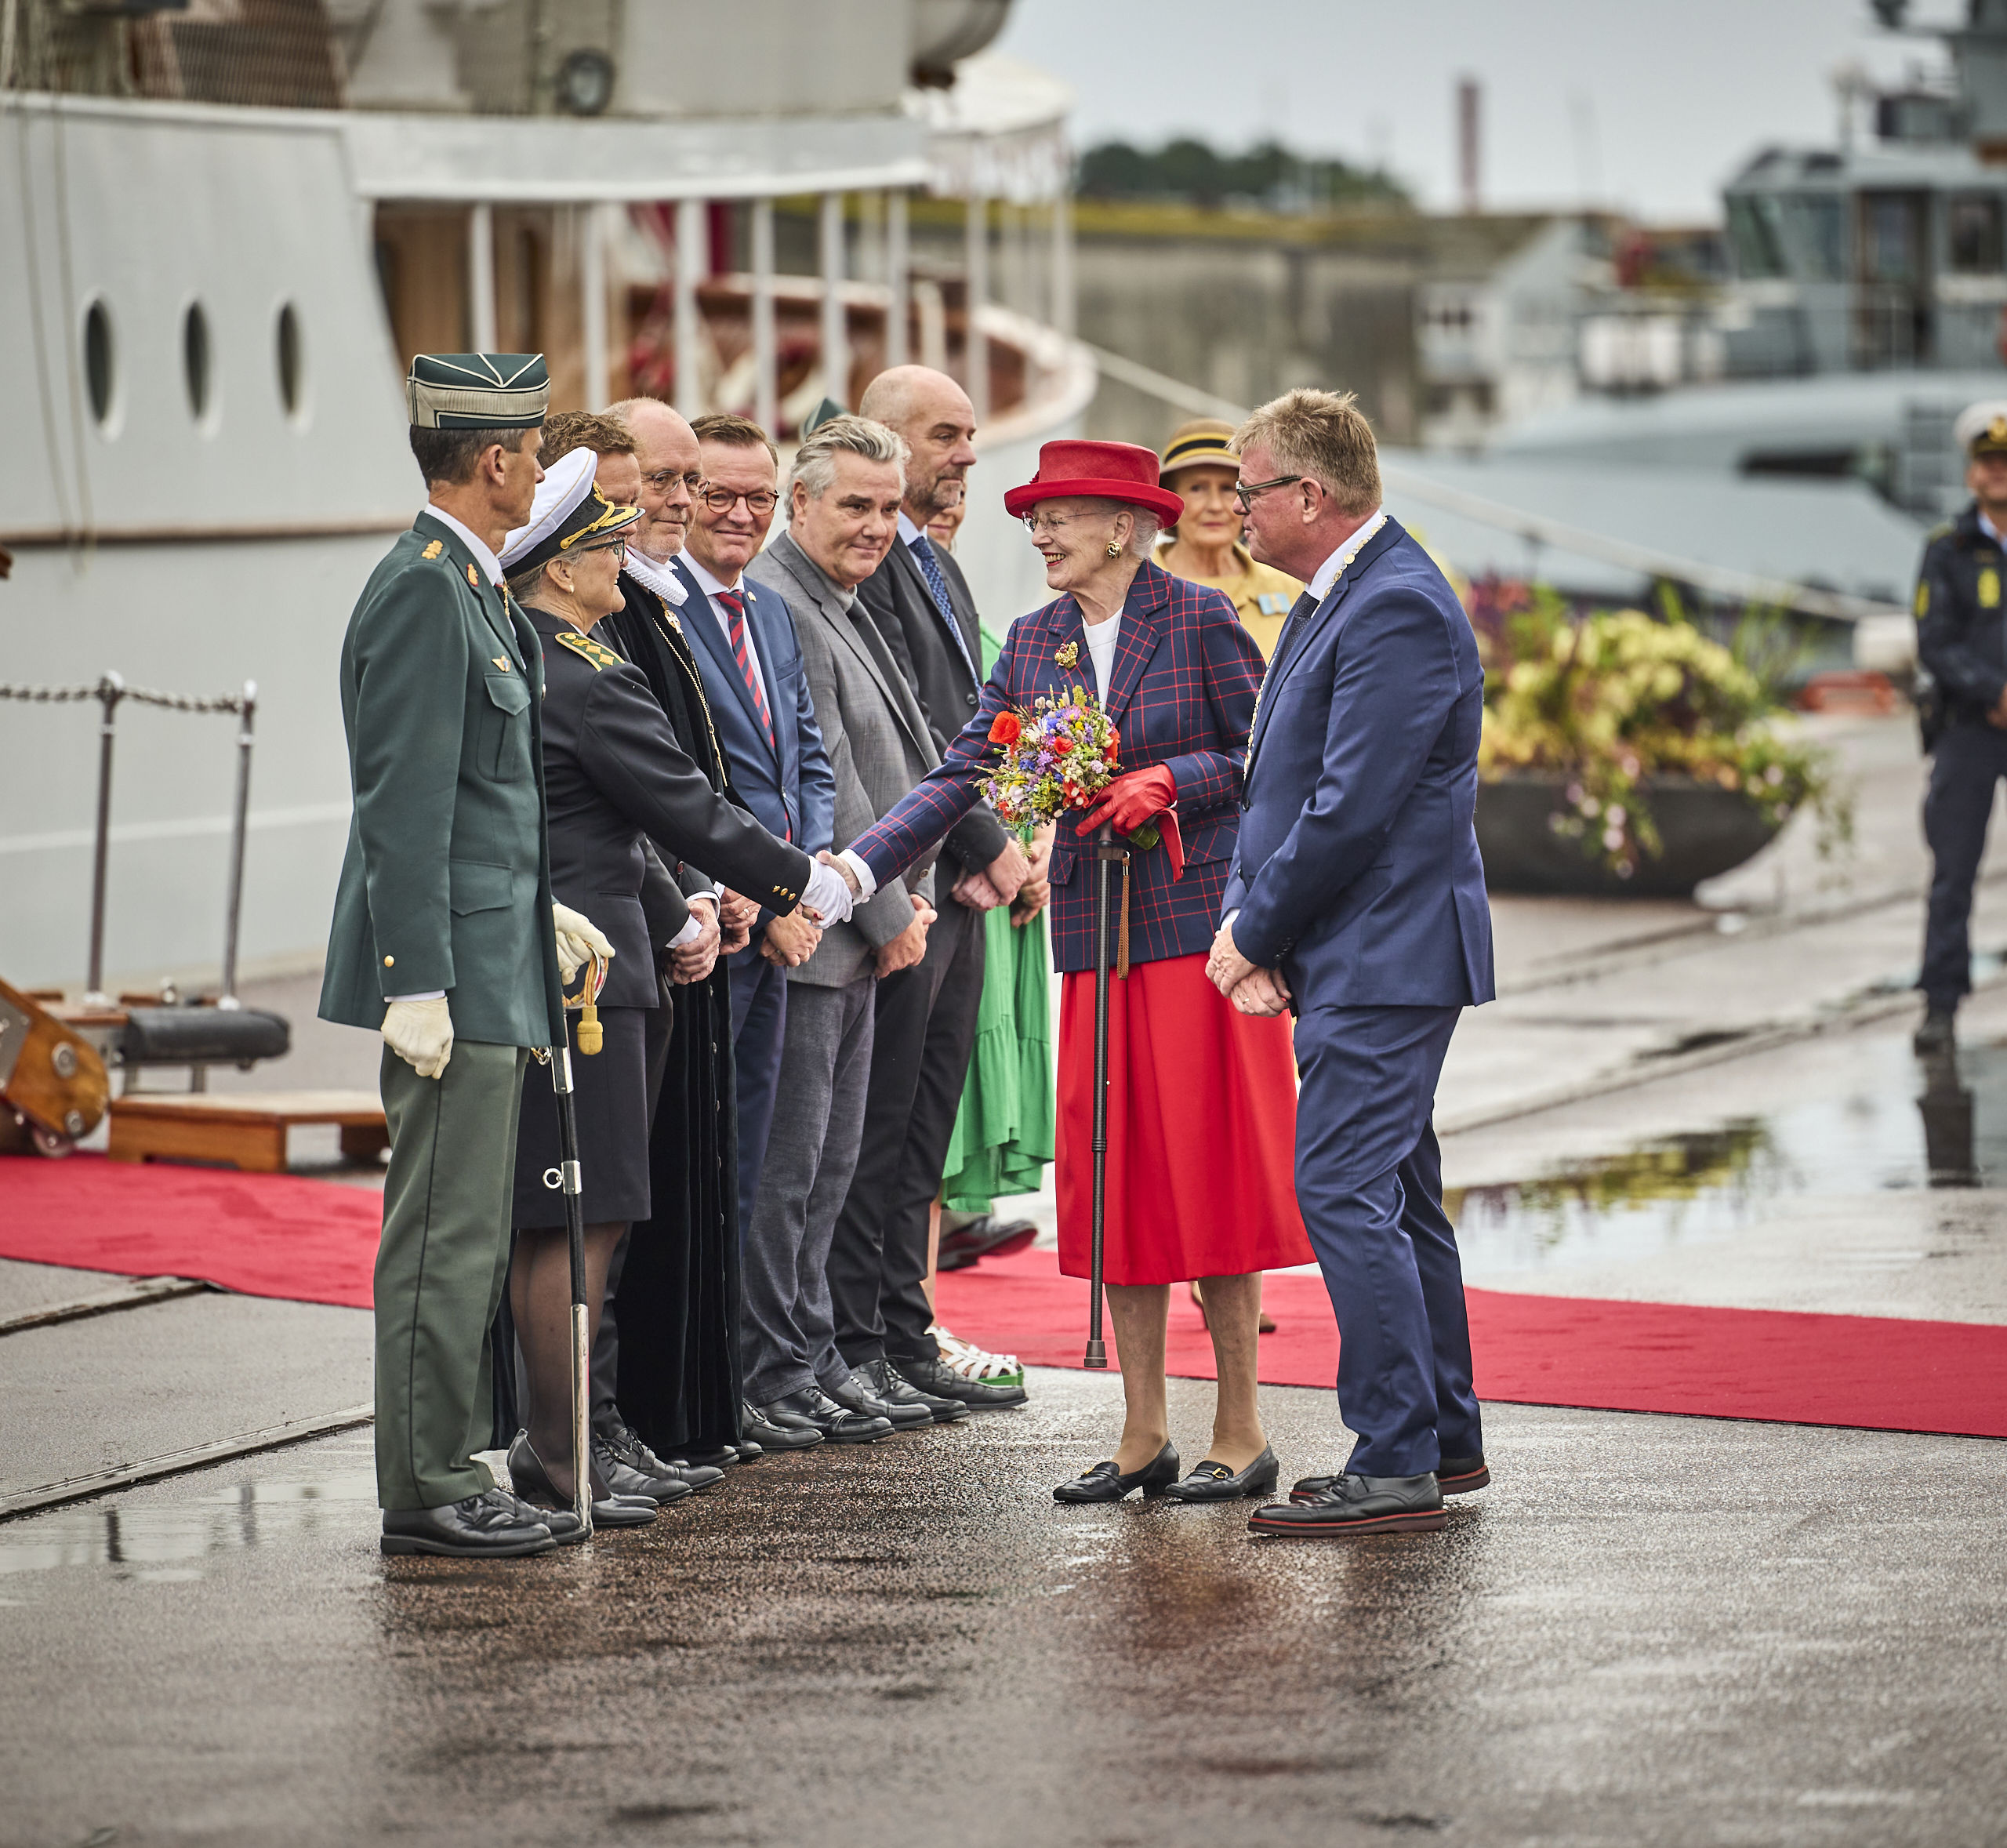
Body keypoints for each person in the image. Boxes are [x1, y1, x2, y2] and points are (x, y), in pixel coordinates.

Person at [832, 438, 1313, 1505]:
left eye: (1061, 514)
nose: (1040, 532)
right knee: (1121, 1184)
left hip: (1198, 939)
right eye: (1036, 516)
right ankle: (1143, 1432)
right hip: (1099, 944)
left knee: (1215, 1179)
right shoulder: (1037, 639)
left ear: (1122, 526)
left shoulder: (1195, 618)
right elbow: (965, 769)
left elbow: (1264, 757)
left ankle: (1241, 1427)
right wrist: (860, 863)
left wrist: (1165, 782)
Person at [496, 448, 855, 1518]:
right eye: (603, 544)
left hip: (579, 956)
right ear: (561, 568)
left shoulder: (532, 660)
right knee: (585, 1223)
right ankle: (566, 1461)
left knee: (561, 1221)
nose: (623, 558)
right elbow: (687, 810)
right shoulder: (590, 677)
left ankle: (565, 1446)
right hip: (593, 980)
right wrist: (803, 881)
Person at [320, 352, 610, 1559]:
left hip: (497, 961)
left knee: (473, 1235)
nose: (541, 468)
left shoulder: (473, 586)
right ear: (493, 462)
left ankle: (451, 1463)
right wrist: (415, 983)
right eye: (534, 452)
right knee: (441, 1237)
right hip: (454, 979)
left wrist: (538, 910)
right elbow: (403, 804)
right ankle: (427, 1485)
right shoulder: (424, 591)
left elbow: (485, 805)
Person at [1203, 387, 1495, 1539]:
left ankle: (1392, 1458)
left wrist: (1252, 933)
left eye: (1249, 487)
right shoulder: (1347, 594)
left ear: (1310, 496)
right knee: (1402, 1197)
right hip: (1365, 947)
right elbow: (1272, 782)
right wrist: (1255, 921)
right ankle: (1444, 1434)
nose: (1235, 508)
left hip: (1386, 950)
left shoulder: (1396, 607)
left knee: (1341, 1189)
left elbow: (1348, 808)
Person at [743, 414, 984, 1437]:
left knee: (839, 1168)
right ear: (800, 505)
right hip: (832, 931)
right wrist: (889, 910)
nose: (878, 527)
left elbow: (910, 757)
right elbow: (830, 777)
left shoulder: (841, 596)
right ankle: (785, 1368)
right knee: (794, 1171)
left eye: (889, 508)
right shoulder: (786, 601)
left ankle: (823, 1355)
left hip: (872, 922)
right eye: (855, 506)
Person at [829, 364, 1034, 1414]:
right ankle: (858, 1338)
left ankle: (901, 1331)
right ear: (888, 437)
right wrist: (991, 842)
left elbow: (974, 716)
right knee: (877, 1125)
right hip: (919, 882)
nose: (967, 456)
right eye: (948, 436)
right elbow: (909, 735)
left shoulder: (940, 567)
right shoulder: (869, 574)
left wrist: (1018, 830)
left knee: (922, 1127)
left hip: (961, 887)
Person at [593, 397, 776, 1472]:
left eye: (681, 481)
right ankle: (604, 1426)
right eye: (662, 483)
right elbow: (620, 795)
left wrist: (714, 890)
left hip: (687, 922)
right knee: (614, 1204)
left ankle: (677, 1411)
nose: (679, 501)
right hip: (633, 936)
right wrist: (702, 895)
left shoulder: (642, 603)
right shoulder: (597, 613)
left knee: (675, 1184)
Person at [673, 417, 838, 1447]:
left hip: (779, 922)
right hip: (721, 932)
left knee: (760, 1162)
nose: (741, 514)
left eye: (758, 498)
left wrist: (808, 889)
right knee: (706, 1168)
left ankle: (745, 1376)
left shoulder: (770, 615)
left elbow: (806, 764)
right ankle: (707, 1385)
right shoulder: (664, 613)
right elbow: (693, 780)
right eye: (720, 494)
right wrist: (760, 899)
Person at [1914, 400, 2007, 1055]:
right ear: (1971, 472)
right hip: (1970, 728)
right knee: (1953, 871)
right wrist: (1995, 692)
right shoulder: (1947, 551)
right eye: (1988, 461)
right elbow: (1934, 640)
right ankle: (1940, 1005)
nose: (1998, 472)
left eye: (2006, 461)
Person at [1152, 418, 1304, 659]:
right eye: (1197, 488)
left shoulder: (1287, 584)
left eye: (1227, 489)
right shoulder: (1135, 586)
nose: (1215, 506)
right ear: (1171, 498)